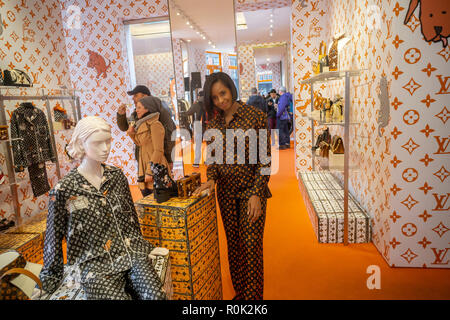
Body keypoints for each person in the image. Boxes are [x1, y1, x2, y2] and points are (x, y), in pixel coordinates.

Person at [40, 116, 167, 300]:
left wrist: (140, 245)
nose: (106, 148)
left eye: (108, 141)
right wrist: (49, 280)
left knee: (156, 297)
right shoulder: (64, 190)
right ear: (82, 144)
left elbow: (131, 218)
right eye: (98, 143)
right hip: (94, 265)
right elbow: (53, 238)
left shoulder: (116, 176)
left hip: (130, 253)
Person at [193, 72, 271, 300]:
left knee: (250, 246)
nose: (220, 101)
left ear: (231, 89)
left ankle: (253, 300)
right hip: (225, 195)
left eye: (223, 94)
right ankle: (240, 294)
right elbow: (213, 159)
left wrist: (257, 194)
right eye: (215, 98)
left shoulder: (255, 116)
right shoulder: (214, 123)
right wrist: (211, 179)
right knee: (234, 247)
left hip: (251, 192)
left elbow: (264, 161)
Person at [127, 97, 173, 197]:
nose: (136, 110)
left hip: (154, 167)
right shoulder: (141, 124)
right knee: (148, 200)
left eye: (139, 107)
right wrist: (131, 133)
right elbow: (140, 144)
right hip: (143, 166)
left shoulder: (155, 124)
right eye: (136, 108)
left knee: (159, 200)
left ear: (147, 108)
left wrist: (150, 171)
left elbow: (158, 150)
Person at [117, 85, 151, 162]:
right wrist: (121, 115)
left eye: (135, 95)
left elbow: (168, 133)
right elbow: (124, 127)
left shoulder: (157, 111)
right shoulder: (135, 114)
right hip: (141, 155)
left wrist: (169, 158)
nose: (133, 98)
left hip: (153, 156)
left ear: (145, 96)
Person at [179, 90, 207, 168]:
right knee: (209, 143)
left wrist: (181, 113)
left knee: (198, 144)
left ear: (199, 96)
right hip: (208, 124)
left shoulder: (197, 103)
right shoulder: (209, 103)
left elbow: (189, 112)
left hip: (198, 124)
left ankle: (196, 162)